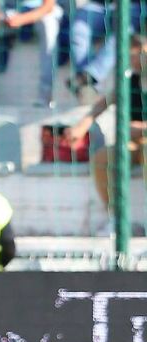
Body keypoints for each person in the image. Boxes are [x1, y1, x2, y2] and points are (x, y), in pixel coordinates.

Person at [66, 34, 147, 234]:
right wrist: (82, 125)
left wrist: (141, 128)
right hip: (133, 142)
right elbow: (104, 102)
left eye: (134, 55)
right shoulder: (130, 81)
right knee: (103, 159)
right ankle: (117, 220)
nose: (129, 60)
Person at [0, 0, 63, 108]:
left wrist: (22, 19)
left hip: (41, 13)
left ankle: (46, 95)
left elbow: (48, 7)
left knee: (49, 25)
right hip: (10, 12)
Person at [67, 0, 146, 101]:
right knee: (78, 29)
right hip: (99, 5)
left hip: (132, 6)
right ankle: (87, 84)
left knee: (122, 32)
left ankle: (90, 76)